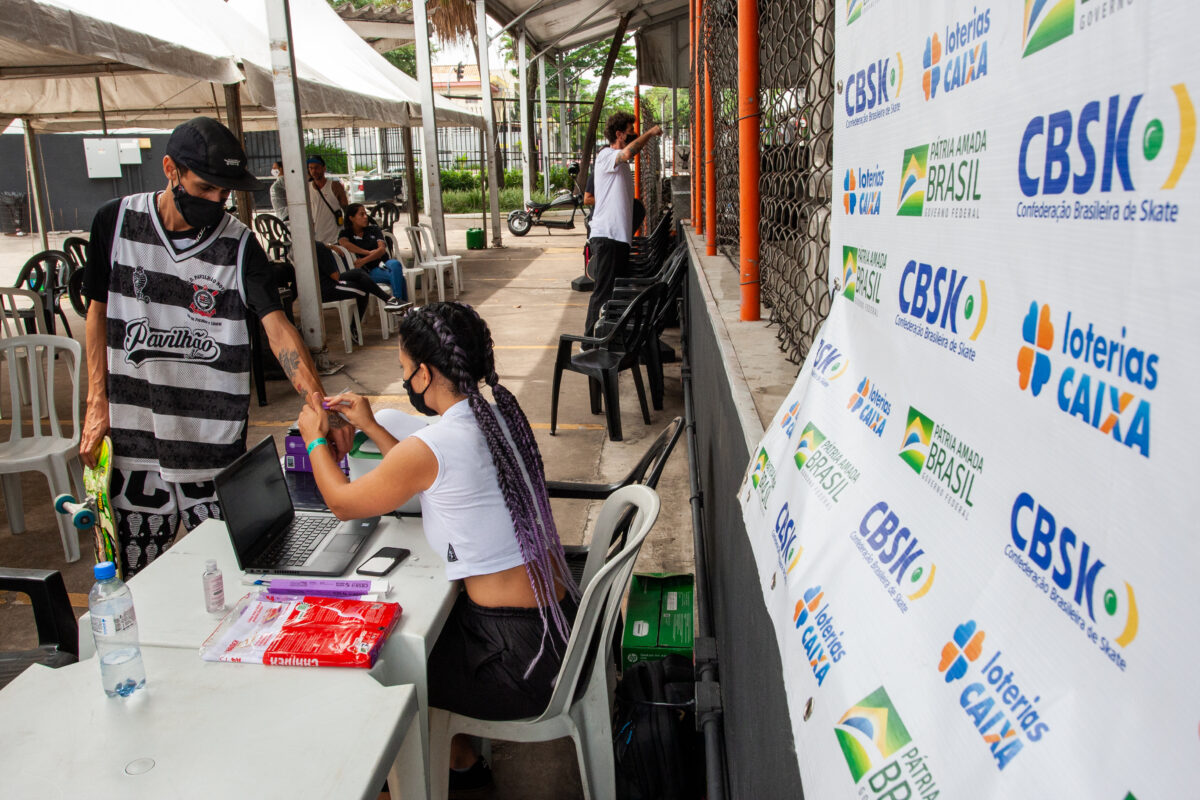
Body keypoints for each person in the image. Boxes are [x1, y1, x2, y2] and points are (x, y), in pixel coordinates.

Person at [296, 302, 579, 794]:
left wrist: (314, 442)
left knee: (376, 668)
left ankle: (412, 780)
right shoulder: (495, 418)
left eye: (405, 371)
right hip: (553, 629)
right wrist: (370, 425)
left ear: (425, 374)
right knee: (412, 639)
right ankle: (463, 763)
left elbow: (343, 503)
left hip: (517, 662)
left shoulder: (439, 443)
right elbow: (424, 476)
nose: (404, 381)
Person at [81, 116, 353, 577]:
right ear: (170, 169)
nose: (216, 202)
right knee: (137, 580)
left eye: (224, 194)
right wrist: (95, 401)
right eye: (205, 188)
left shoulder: (240, 245)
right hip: (135, 440)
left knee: (237, 577)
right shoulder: (116, 221)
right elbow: (97, 311)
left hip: (212, 444)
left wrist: (318, 403)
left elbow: (278, 329)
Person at [585, 113, 662, 337]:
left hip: (618, 238)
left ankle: (605, 336)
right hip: (607, 236)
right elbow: (629, 151)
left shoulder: (620, 164)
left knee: (612, 293)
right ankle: (589, 341)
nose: (633, 135)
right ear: (619, 134)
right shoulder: (607, 156)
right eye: (630, 131)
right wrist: (650, 133)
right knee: (602, 292)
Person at [316, 240, 407, 320]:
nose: (365, 219)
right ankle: (354, 330)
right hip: (327, 288)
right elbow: (335, 276)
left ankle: (391, 300)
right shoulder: (319, 247)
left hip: (318, 287)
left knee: (358, 273)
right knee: (364, 288)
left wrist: (329, 246)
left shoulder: (311, 247)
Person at [337, 203, 408, 303]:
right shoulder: (346, 233)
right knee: (400, 279)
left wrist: (363, 260)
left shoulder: (374, 229)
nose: (365, 217)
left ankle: (397, 302)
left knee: (395, 264)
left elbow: (381, 250)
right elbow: (344, 244)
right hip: (369, 272)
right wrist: (367, 252)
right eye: (361, 215)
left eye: (366, 214)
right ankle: (400, 306)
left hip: (385, 264)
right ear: (351, 218)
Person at [306, 154, 348, 245]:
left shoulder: (334, 186)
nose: (314, 171)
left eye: (316, 167)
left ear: (324, 168)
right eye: (311, 168)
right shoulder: (307, 188)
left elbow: (346, 208)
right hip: (317, 237)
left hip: (335, 236)